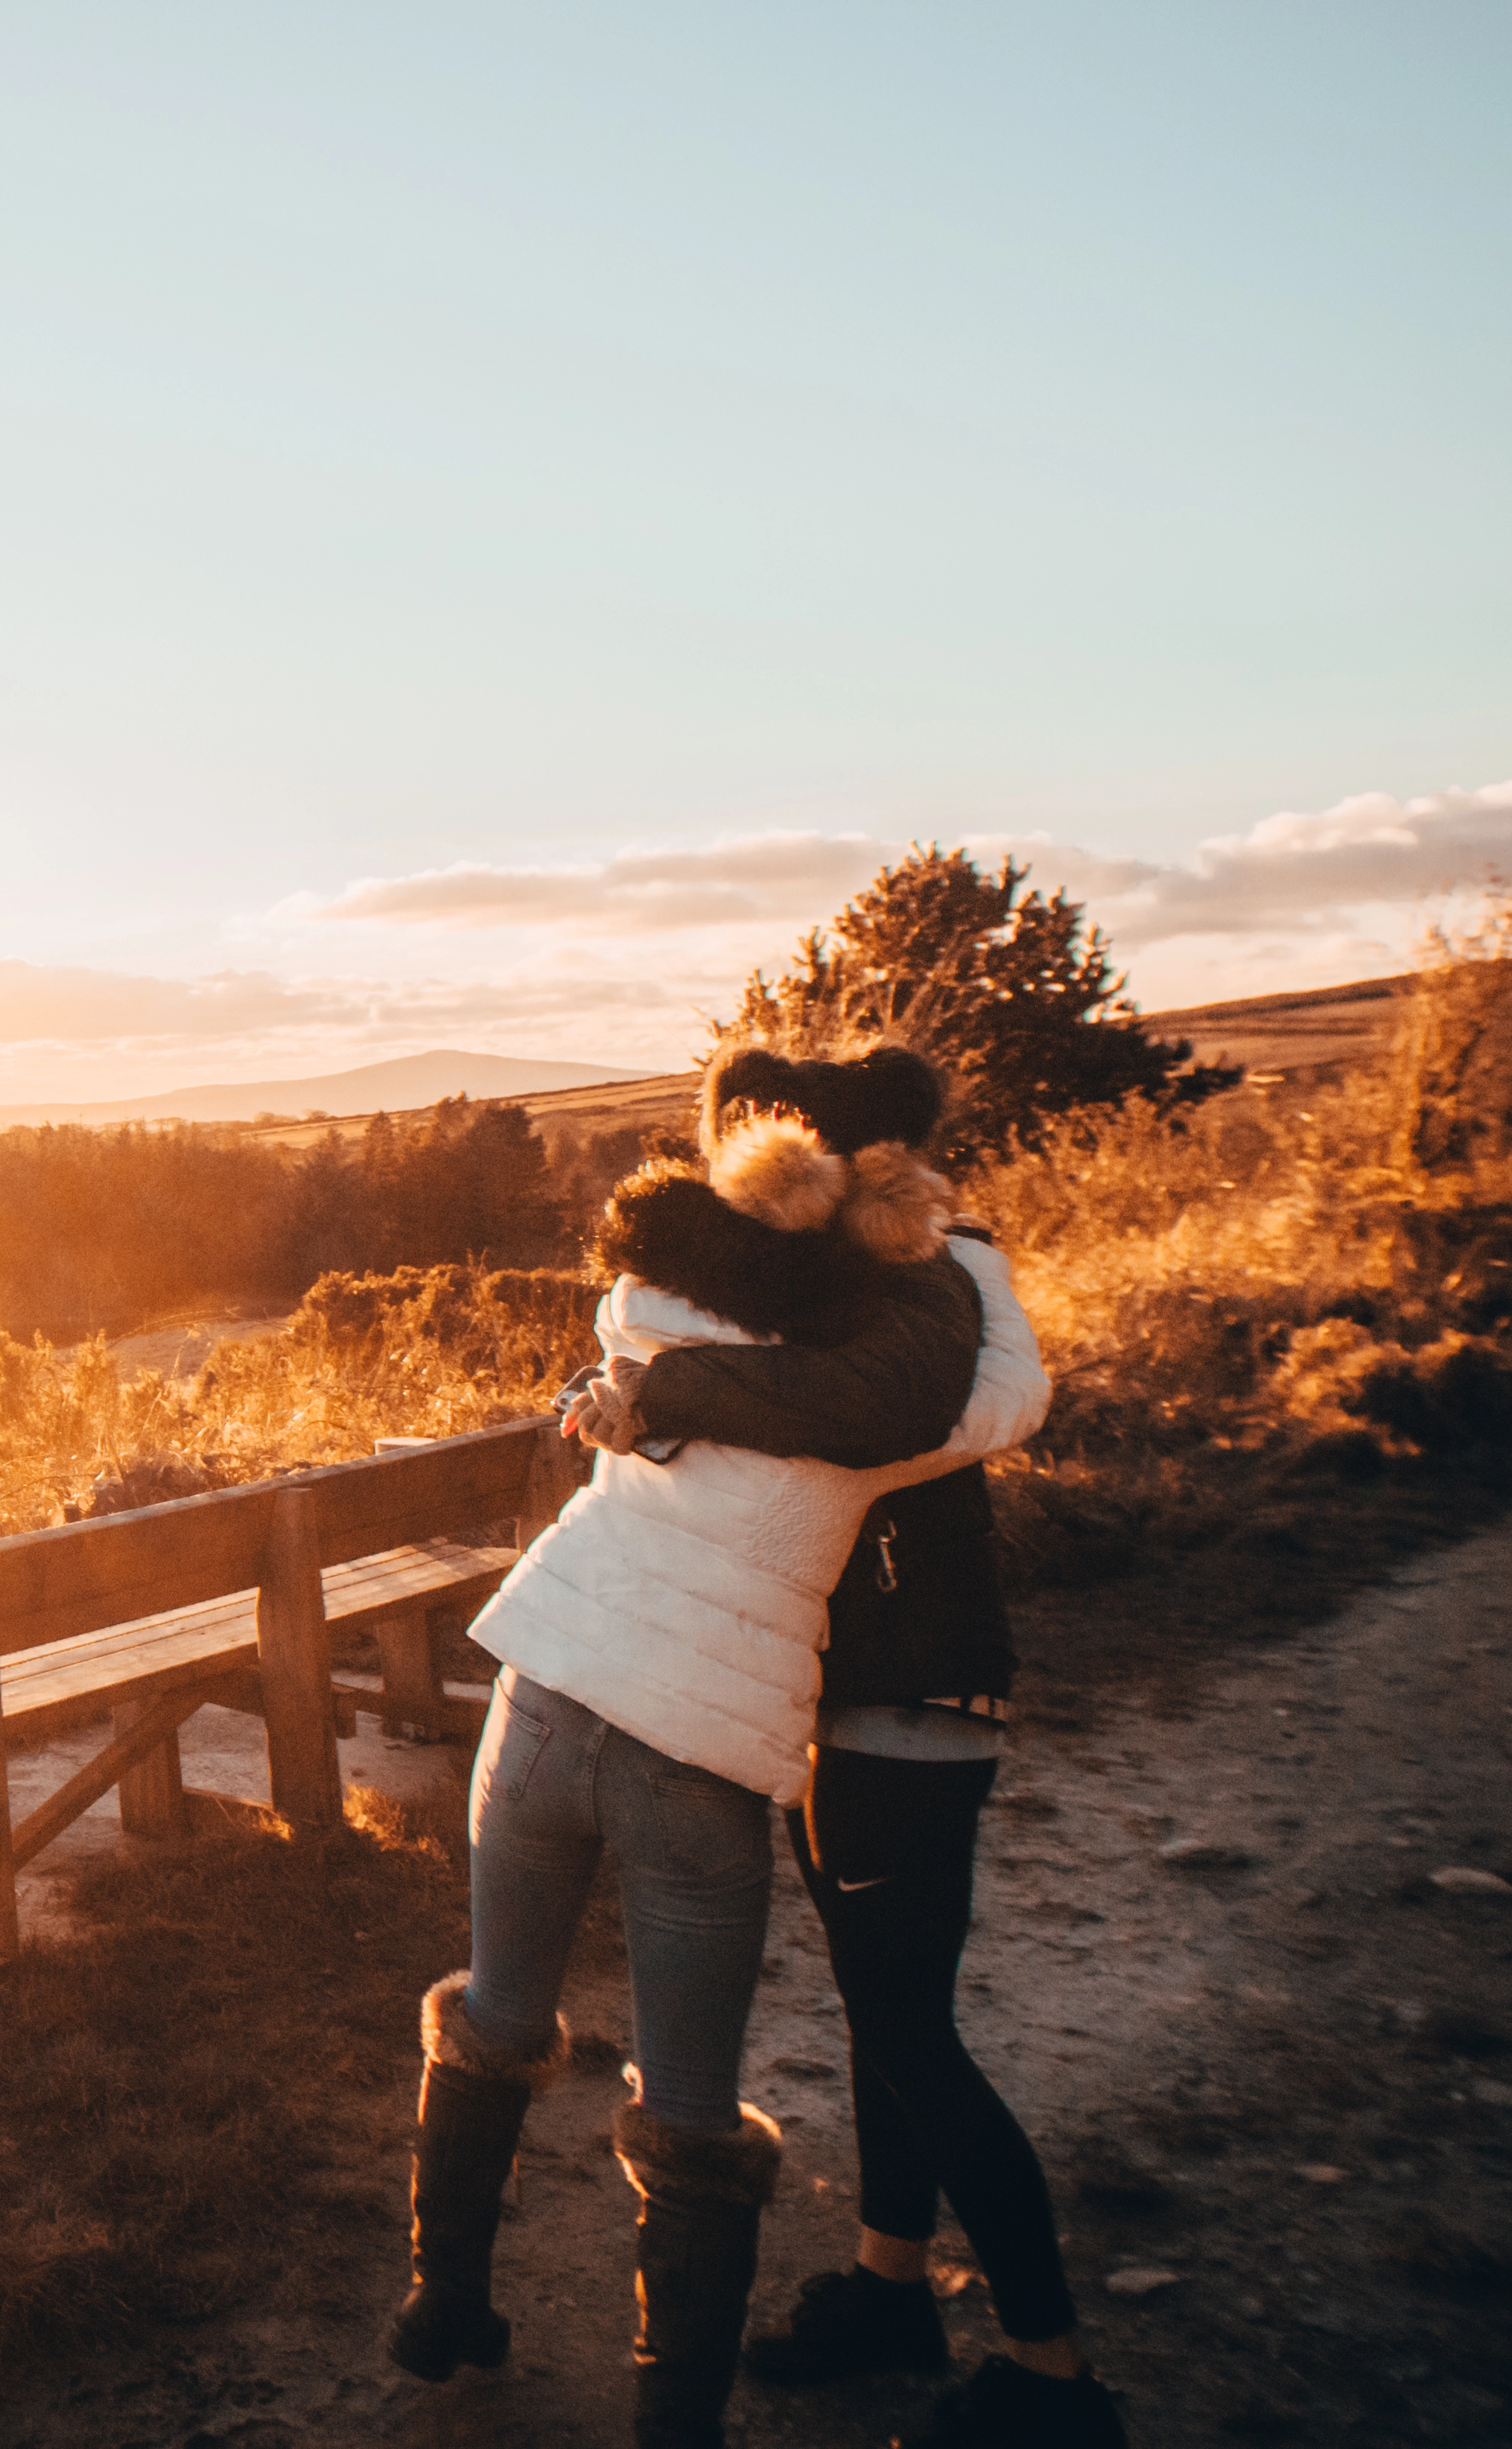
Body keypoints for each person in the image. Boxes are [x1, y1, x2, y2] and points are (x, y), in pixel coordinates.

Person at [390, 1045, 1046, 2449]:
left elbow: (638, 1332)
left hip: (552, 1673)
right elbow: (987, 1404)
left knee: (500, 2007)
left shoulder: (651, 1300)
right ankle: (672, 2426)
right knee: (686, 2100)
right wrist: (960, 1257)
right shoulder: (889, 1380)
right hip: (701, 1726)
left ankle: (443, 2306)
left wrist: (650, 1385)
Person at [617, 1223, 1126, 2449]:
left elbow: (857, 1415)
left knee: (911, 2033)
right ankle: (891, 2287)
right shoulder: (870, 1306)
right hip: (858, 1707)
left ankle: (1054, 2378)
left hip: (908, 1706)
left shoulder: (908, 1314)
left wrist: (663, 1389)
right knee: (885, 2015)